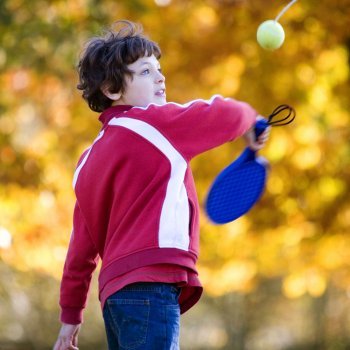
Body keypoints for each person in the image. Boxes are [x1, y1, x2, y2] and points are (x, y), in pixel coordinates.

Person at [53, 20, 269, 350]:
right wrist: (252, 119)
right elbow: (225, 113)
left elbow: (80, 251)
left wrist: (70, 317)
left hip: (115, 297)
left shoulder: (87, 161)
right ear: (112, 89)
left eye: (159, 68)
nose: (160, 77)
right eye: (145, 71)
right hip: (150, 286)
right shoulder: (157, 122)